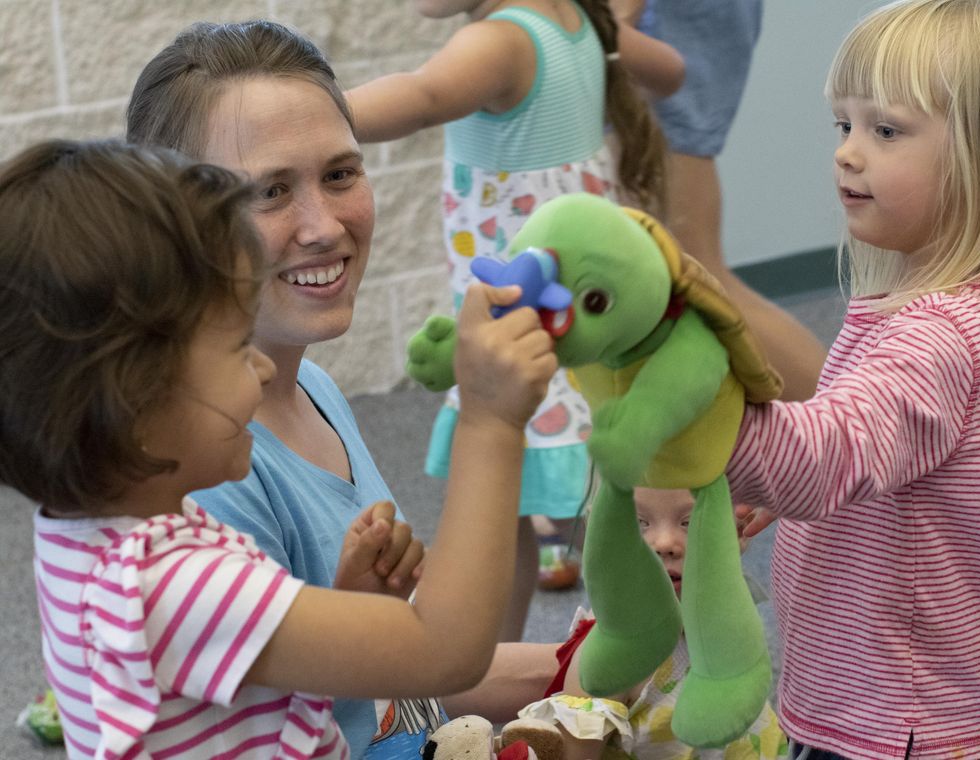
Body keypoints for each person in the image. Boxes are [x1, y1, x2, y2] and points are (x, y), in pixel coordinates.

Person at [0, 139, 557, 758]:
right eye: (239, 346)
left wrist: (341, 612)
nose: (264, 368)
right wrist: (490, 424)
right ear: (132, 401)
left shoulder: (88, 535)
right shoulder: (169, 582)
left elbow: (244, 697)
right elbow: (445, 652)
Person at [124, 20, 557, 757]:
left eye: (339, 174)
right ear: (173, 227)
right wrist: (491, 420)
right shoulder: (199, 470)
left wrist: (588, 665)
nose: (323, 225)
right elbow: (429, 653)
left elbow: (390, 675)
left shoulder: (314, 386)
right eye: (269, 190)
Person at [726, 1, 980, 758]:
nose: (848, 153)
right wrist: (771, 484)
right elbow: (864, 454)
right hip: (887, 696)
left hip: (903, 720)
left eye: (884, 130)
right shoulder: (936, 314)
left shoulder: (942, 336)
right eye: (843, 126)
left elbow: (825, 458)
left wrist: (697, 415)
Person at [345, 0, 684, 641]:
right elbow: (672, 71)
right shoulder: (576, 20)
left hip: (531, 335)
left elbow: (420, 97)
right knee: (526, 509)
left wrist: (298, 119)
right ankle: (487, 663)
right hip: (574, 330)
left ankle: (674, 651)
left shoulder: (499, 42)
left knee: (572, 508)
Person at [611, 0, 828, 402]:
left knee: (690, 274)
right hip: (656, 27)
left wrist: (611, 21)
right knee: (678, 274)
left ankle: (850, 431)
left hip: (652, 29)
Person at [520, 487, 788, 759]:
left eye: (690, 522)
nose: (663, 543)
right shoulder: (615, 652)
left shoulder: (729, 608)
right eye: (637, 523)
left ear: (740, 530)